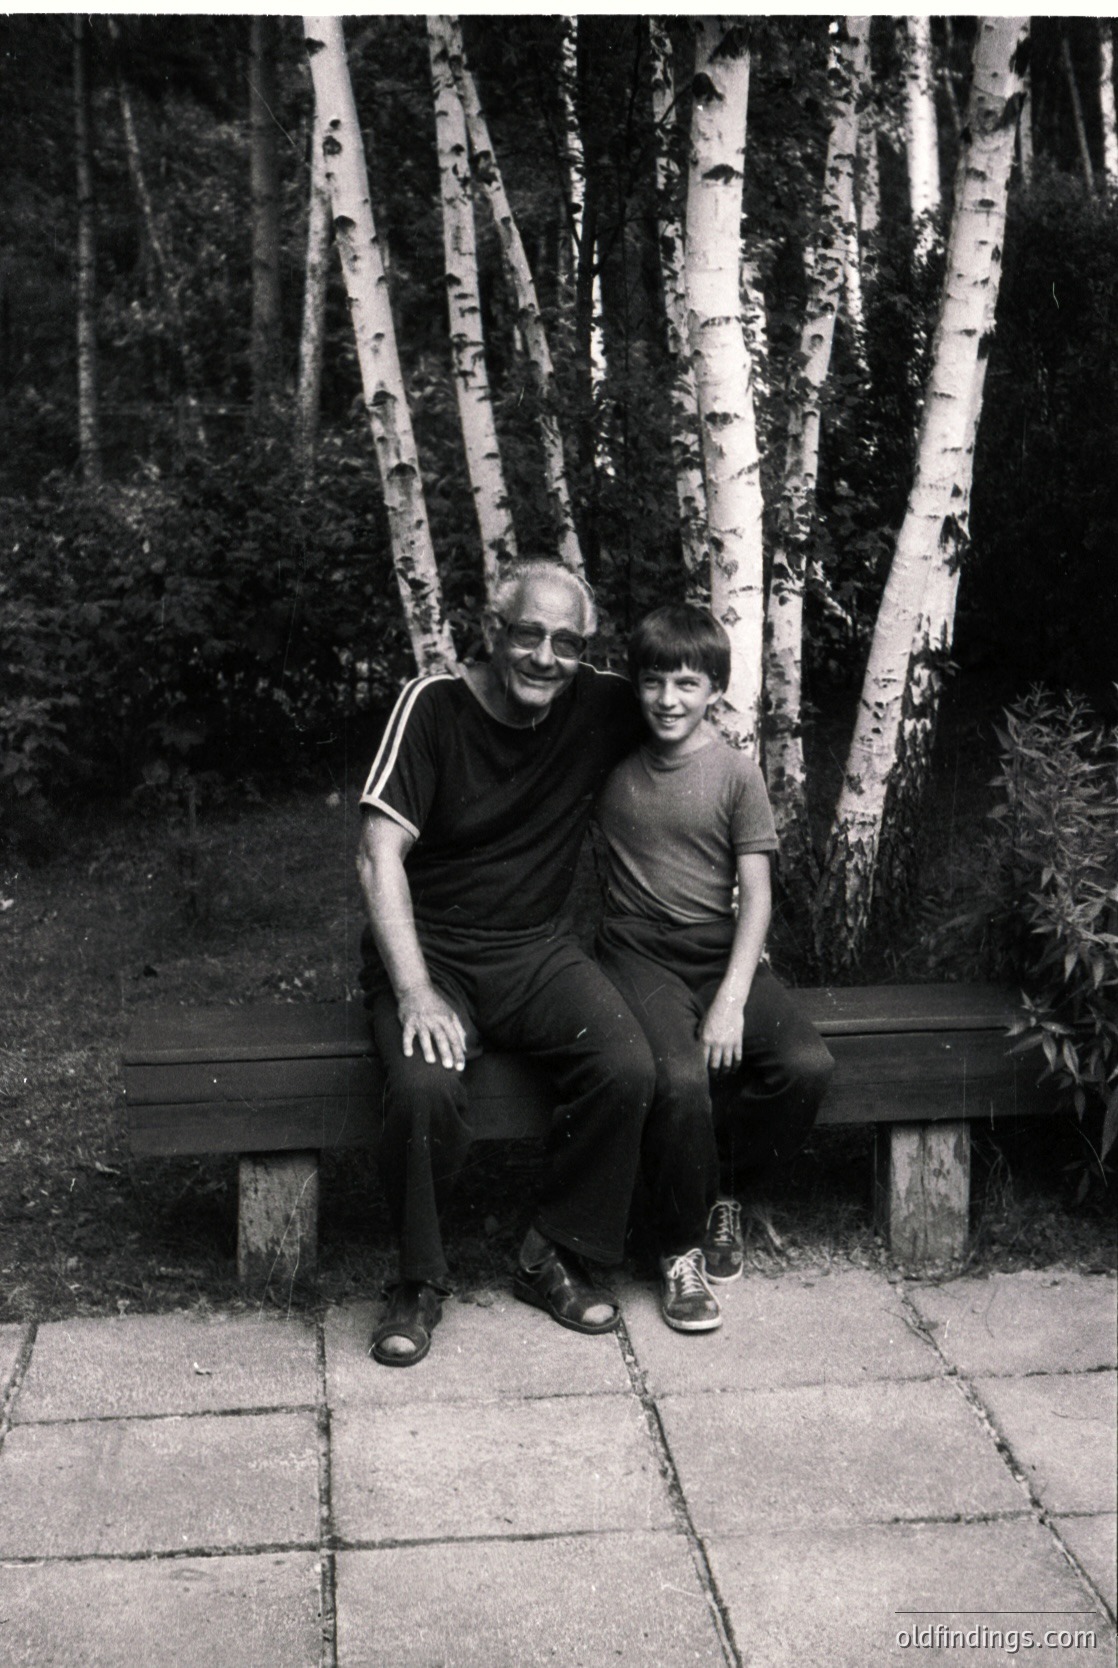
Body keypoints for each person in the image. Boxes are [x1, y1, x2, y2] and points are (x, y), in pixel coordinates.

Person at [356, 559, 654, 1366]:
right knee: (423, 1088)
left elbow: (687, 703)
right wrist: (414, 990)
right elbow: (377, 852)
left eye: (567, 642)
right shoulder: (434, 704)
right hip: (436, 953)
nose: (545, 657)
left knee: (626, 1065)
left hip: (533, 951)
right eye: (529, 634)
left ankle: (551, 1251)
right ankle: (417, 1282)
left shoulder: (596, 703)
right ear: (493, 632)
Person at [594, 603, 834, 1334]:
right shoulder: (609, 765)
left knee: (804, 1064)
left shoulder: (736, 773)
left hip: (717, 950)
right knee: (679, 1076)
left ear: (715, 691)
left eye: (687, 684)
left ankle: (727, 1186)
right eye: (654, 682)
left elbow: (757, 894)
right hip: (636, 953)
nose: (668, 700)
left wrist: (732, 997)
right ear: (636, 686)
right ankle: (677, 1252)